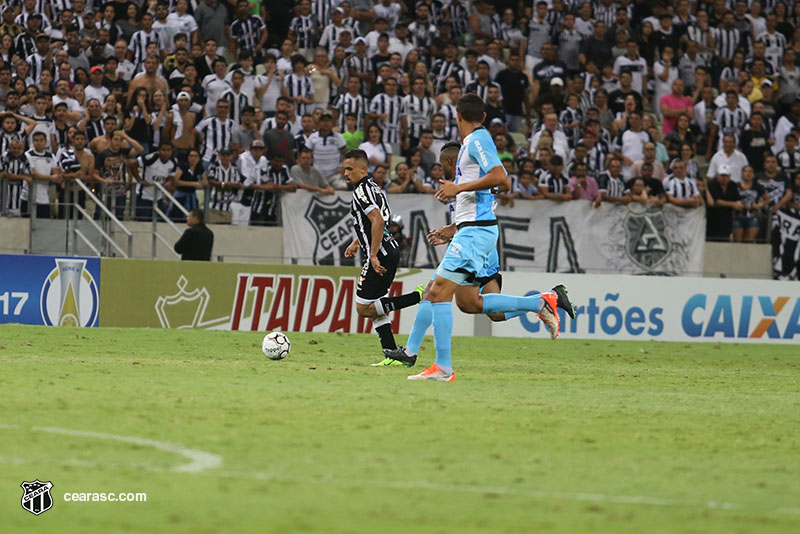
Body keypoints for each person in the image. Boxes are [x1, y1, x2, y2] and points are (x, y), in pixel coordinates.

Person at [384, 94, 574, 380]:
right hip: (474, 230)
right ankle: (541, 302)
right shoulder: (470, 145)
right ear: (483, 116)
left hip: (476, 232)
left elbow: (502, 178)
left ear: (457, 116)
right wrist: (455, 217)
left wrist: (458, 189)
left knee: (436, 292)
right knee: (468, 302)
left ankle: (441, 366)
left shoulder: (476, 140)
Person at [341, 148, 423, 365]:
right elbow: (376, 221)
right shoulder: (375, 188)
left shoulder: (361, 192)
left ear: (363, 169)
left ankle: (418, 297)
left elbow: (377, 221)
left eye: (350, 169)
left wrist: (373, 254)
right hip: (389, 250)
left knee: (363, 308)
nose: (345, 174)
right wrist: (358, 241)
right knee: (375, 306)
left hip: (382, 253)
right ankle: (391, 353)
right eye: (344, 169)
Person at [705, 164, 743, 241]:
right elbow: (717, 201)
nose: (724, 178)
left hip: (727, 217)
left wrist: (737, 204)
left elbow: (738, 199)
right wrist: (733, 204)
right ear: (717, 175)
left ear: (730, 176)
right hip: (713, 217)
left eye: (726, 175)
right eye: (722, 175)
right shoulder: (711, 184)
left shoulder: (733, 185)